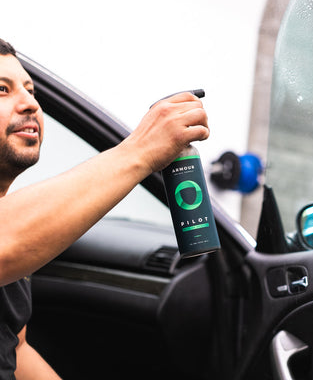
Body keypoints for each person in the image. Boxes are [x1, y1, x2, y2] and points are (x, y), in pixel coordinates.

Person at [0, 38, 210, 379]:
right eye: (2, 90)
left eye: (31, 90)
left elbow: (15, 347)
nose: (30, 104)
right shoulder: (11, 235)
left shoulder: (15, 215)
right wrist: (140, 150)